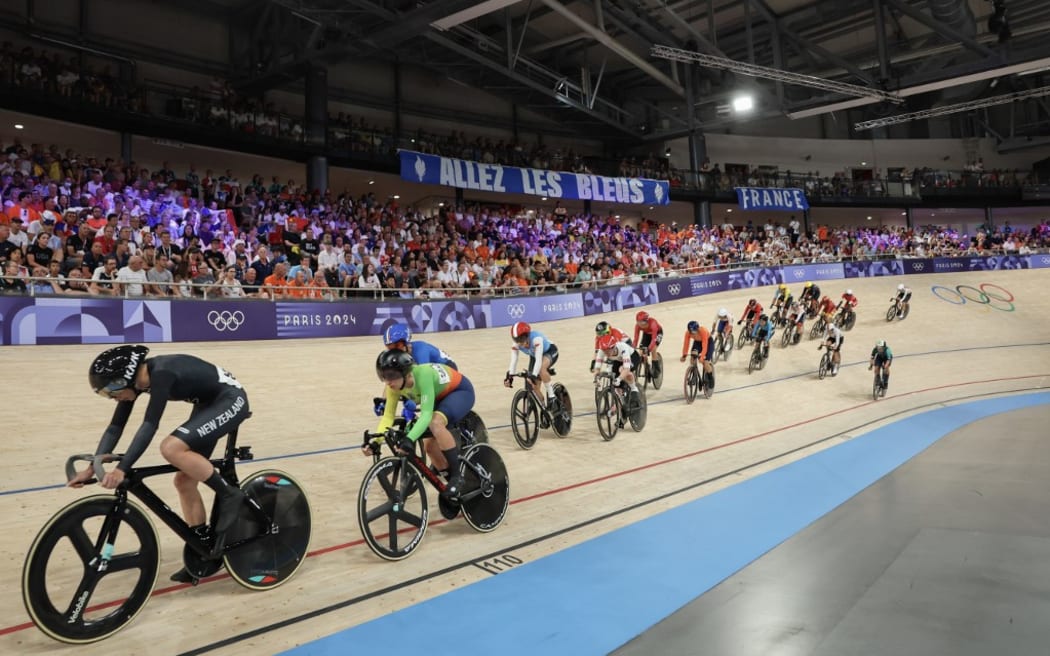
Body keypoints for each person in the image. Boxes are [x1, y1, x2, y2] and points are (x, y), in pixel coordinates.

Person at [69, 346, 251, 583]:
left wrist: (123, 468)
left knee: (171, 448)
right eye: (106, 394)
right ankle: (203, 550)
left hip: (230, 400)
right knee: (184, 481)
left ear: (128, 376)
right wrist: (93, 466)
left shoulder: (163, 373)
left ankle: (229, 494)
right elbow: (115, 427)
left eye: (112, 390)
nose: (113, 397)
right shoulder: (137, 383)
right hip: (209, 404)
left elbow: (149, 425)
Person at [370, 350, 469, 500]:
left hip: (458, 391)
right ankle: (452, 489)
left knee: (435, 423)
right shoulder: (393, 387)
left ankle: (457, 476)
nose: (387, 382)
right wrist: (375, 441)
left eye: (391, 376)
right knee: (429, 447)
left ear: (406, 373)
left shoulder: (423, 375)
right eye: (383, 376)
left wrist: (409, 440)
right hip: (437, 397)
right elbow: (388, 417)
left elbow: (426, 415)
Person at [503, 321, 560, 414]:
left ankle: (552, 396)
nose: (520, 343)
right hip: (535, 356)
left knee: (541, 369)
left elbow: (538, 360)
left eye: (521, 339)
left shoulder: (536, 339)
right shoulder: (516, 344)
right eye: (517, 340)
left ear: (527, 335)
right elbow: (514, 361)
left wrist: (533, 375)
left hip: (549, 351)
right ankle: (544, 410)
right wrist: (510, 376)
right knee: (533, 387)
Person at [593, 332, 641, 407]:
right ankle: (619, 403)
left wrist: (619, 379)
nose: (606, 353)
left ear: (614, 347)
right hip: (618, 360)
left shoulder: (623, 348)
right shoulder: (601, 350)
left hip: (632, 357)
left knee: (622, 370)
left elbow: (626, 368)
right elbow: (597, 368)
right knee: (616, 385)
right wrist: (596, 379)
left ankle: (634, 389)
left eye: (608, 350)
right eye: (605, 351)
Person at [681, 320, 715, 389]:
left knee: (705, 362)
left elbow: (705, 346)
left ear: (697, 329)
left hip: (708, 343)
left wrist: (702, 357)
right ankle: (694, 374)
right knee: (692, 356)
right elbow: (686, 344)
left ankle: (710, 377)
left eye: (694, 332)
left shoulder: (703, 331)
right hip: (697, 343)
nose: (692, 334)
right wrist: (684, 355)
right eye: (691, 332)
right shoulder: (688, 333)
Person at [633, 311, 664, 377]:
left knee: (653, 349)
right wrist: (632, 348)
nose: (639, 324)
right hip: (647, 334)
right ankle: (647, 366)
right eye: (638, 322)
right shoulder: (637, 326)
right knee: (641, 352)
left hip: (657, 333)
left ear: (646, 321)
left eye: (641, 322)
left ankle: (657, 369)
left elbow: (653, 339)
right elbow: (636, 338)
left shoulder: (653, 323)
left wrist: (648, 349)